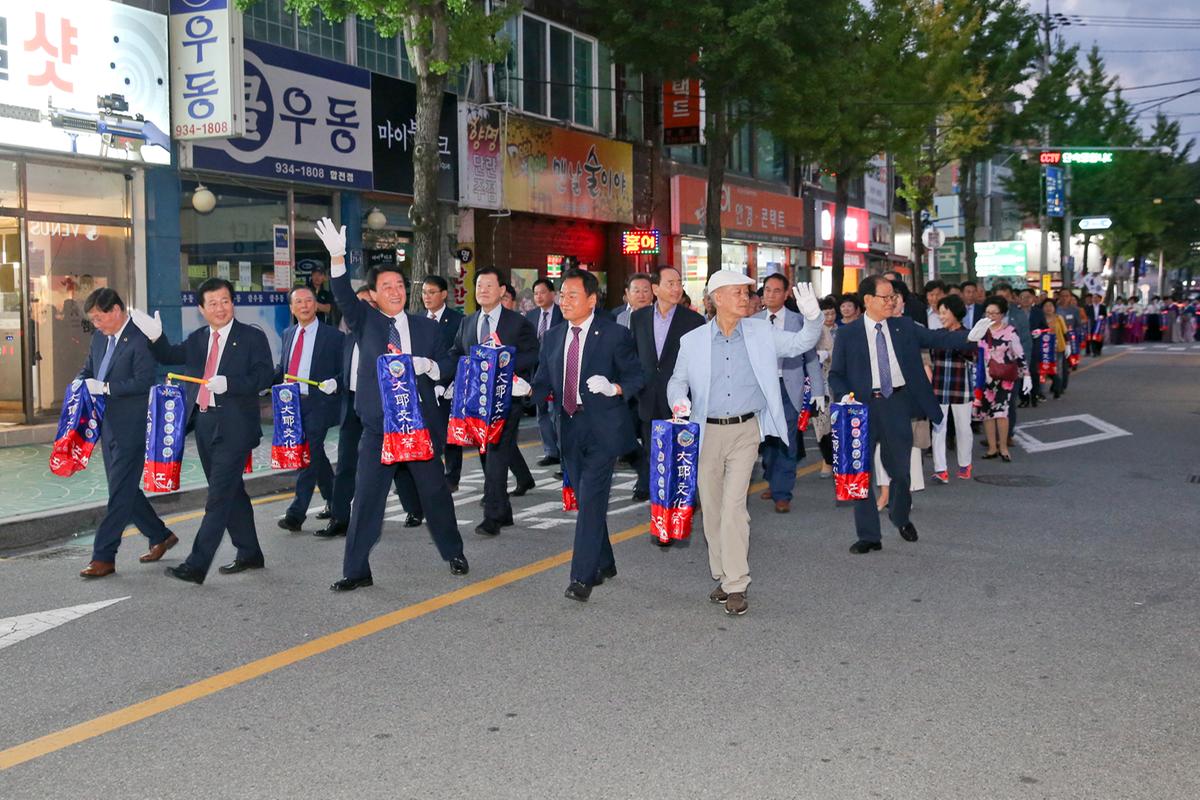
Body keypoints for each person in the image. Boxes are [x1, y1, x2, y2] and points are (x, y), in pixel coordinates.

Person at [315, 217, 469, 590]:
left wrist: (430, 366)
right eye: (387, 286)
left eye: (400, 285)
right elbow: (342, 295)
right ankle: (356, 570)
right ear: (374, 294)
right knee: (366, 499)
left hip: (419, 429)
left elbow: (449, 364)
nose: (395, 291)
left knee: (434, 495)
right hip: (379, 429)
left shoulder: (427, 328)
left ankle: (454, 551)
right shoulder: (365, 320)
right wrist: (337, 257)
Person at [668, 271, 825, 616]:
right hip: (705, 432)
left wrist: (814, 318)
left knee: (734, 507)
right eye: (737, 292)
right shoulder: (692, 341)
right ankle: (722, 576)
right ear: (716, 298)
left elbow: (800, 344)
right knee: (711, 509)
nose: (746, 298)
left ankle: (737, 583)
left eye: (746, 292)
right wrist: (679, 401)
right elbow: (677, 381)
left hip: (745, 430)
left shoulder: (761, 332)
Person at [827, 275, 991, 555]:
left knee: (900, 471)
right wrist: (844, 397)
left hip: (896, 403)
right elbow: (836, 374)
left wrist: (968, 336)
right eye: (886, 297)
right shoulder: (848, 334)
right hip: (860, 408)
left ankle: (900, 516)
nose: (892, 301)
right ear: (868, 300)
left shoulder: (903, 326)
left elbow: (937, 337)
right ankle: (868, 535)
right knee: (860, 474)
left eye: (893, 297)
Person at [130, 278, 274, 584]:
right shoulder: (197, 339)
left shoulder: (251, 337)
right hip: (206, 423)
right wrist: (155, 337)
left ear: (233, 303)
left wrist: (231, 384)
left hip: (236, 426)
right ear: (201, 309)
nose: (220, 308)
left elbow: (264, 376)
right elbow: (170, 355)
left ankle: (196, 564)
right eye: (213, 303)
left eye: (225, 301)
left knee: (218, 497)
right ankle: (250, 553)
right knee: (232, 492)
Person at [531, 267, 644, 602]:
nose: (564, 300)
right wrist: (523, 390)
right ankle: (605, 562)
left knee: (592, 498)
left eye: (572, 295)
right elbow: (543, 381)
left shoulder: (613, 335)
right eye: (562, 294)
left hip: (603, 429)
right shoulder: (552, 336)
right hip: (569, 427)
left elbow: (637, 376)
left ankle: (582, 576)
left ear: (592, 300)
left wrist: (615, 387)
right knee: (586, 500)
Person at [74, 288, 177, 578]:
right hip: (107, 425)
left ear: (115, 311)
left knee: (119, 492)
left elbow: (144, 382)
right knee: (123, 489)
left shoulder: (139, 339)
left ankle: (103, 556)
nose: (96, 324)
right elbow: (89, 369)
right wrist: (79, 382)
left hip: (134, 425)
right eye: (93, 319)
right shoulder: (99, 338)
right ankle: (160, 535)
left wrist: (106, 388)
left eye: (99, 318)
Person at [449, 266, 539, 537]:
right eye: (479, 285)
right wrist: (447, 377)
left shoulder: (516, 322)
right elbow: (457, 353)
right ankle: (504, 511)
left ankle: (492, 517)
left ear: (502, 291)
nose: (482, 290)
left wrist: (503, 366)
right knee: (487, 455)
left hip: (506, 402)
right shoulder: (468, 321)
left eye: (489, 285)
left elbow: (533, 354)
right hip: (477, 404)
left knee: (497, 454)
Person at [316, 284, 413, 538]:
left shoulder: (390, 336)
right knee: (346, 464)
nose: (361, 309)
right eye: (357, 303)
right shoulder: (347, 338)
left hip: (384, 408)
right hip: (352, 406)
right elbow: (347, 371)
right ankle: (339, 517)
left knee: (399, 462)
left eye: (368, 304)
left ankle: (413, 507)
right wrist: (336, 382)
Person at [629, 265, 705, 509]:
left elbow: (700, 362)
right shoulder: (638, 317)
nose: (676, 288)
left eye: (679, 283)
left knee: (681, 453)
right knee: (655, 455)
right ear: (655, 288)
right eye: (670, 283)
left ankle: (682, 501)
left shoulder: (693, 320)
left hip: (681, 399)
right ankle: (661, 504)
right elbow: (634, 355)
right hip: (648, 397)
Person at [274, 286, 343, 532]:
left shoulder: (333, 337)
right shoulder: (287, 333)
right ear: (292, 308)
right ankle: (336, 501)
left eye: (308, 301)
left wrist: (335, 382)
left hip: (319, 403)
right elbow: (283, 367)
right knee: (316, 456)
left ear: (315, 305)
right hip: (291, 404)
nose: (304, 305)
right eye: (298, 302)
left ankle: (296, 514)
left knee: (307, 452)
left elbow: (345, 370)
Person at [755, 273, 825, 513]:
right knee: (766, 439)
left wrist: (818, 389)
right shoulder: (753, 321)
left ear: (786, 294)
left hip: (788, 387)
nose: (770, 294)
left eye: (776, 290)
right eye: (766, 290)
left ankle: (782, 492)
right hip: (761, 390)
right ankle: (773, 479)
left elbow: (812, 359)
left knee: (786, 438)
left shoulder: (799, 320)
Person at [421, 275, 465, 491]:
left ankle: (452, 476)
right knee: (427, 431)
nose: (427, 297)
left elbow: (458, 354)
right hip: (425, 386)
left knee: (450, 434)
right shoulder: (418, 320)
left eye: (431, 292)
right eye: (424, 293)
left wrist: (448, 381)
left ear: (444, 294)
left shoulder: (458, 321)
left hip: (449, 386)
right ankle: (432, 474)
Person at [928, 295, 975, 483]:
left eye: (944, 312)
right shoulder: (937, 334)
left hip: (961, 387)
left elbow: (972, 356)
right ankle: (941, 470)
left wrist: (957, 342)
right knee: (938, 428)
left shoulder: (969, 335)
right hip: (939, 387)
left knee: (963, 427)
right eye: (939, 312)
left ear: (955, 313)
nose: (941, 316)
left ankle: (965, 464)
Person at [978, 295, 1030, 462]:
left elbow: (1019, 354)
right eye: (988, 313)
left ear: (1002, 314)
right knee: (986, 413)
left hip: (1004, 377)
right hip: (984, 377)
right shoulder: (980, 331)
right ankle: (992, 447)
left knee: (1001, 412)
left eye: (995, 313)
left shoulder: (1010, 331)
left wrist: (1026, 375)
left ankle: (1003, 447)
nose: (991, 317)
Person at [526, 277, 564, 467]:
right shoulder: (531, 316)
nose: (538, 296)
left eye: (542, 292)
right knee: (541, 412)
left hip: (557, 371)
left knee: (555, 412)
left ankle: (562, 451)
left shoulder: (562, 313)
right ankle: (550, 451)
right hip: (537, 370)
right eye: (535, 293)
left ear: (552, 294)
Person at [812, 297, 838, 479]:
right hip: (820, 381)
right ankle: (828, 459)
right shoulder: (814, 331)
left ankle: (832, 460)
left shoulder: (842, 330)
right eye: (826, 313)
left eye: (832, 313)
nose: (829, 316)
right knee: (821, 423)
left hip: (838, 380)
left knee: (836, 422)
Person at [1039, 298, 1068, 398]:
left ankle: (1057, 389)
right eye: (1046, 306)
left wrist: (1067, 345)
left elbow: (1065, 332)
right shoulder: (1040, 318)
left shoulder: (1059, 318)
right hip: (1043, 348)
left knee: (1058, 369)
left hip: (1057, 347)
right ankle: (1041, 391)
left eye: (1050, 306)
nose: (1048, 308)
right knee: (1043, 369)